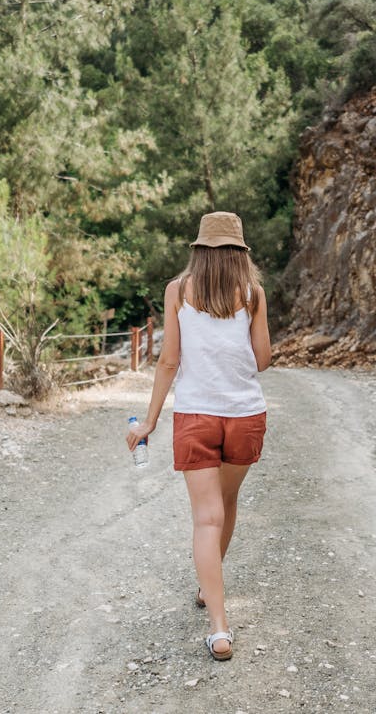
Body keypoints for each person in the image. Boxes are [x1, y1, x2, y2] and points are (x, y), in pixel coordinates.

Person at [126, 211, 271, 662]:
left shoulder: (177, 290)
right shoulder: (253, 293)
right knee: (226, 507)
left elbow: (169, 360)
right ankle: (210, 591)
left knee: (206, 518)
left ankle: (220, 628)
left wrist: (148, 422)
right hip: (245, 415)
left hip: (196, 417)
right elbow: (263, 359)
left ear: (199, 249)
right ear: (239, 253)